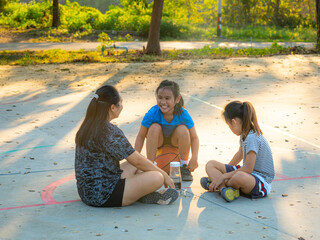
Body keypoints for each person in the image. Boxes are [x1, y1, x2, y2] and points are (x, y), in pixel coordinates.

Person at [75, 85, 179, 207]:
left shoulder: (88, 125)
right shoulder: (109, 131)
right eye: (120, 103)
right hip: (104, 195)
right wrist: (165, 175)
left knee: (137, 164)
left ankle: (140, 193)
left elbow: (135, 160)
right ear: (112, 107)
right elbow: (137, 161)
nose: (122, 107)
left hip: (86, 192)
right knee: (157, 177)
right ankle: (141, 193)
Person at [201, 101, 274, 202]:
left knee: (239, 176)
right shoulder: (244, 134)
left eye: (229, 125)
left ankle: (218, 183)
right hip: (249, 174)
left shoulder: (252, 137)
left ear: (234, 122)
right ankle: (224, 189)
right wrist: (225, 170)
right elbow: (239, 154)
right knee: (210, 164)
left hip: (260, 180)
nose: (230, 128)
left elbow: (248, 169)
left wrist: (223, 176)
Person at [135, 80, 199, 181]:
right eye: (160, 98)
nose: (163, 102)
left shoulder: (183, 114)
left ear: (177, 99)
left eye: (167, 98)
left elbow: (194, 137)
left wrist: (194, 158)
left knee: (183, 130)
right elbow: (141, 136)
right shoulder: (152, 113)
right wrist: (136, 159)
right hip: (159, 142)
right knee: (154, 127)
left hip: (175, 142)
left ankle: (184, 167)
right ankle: (151, 165)